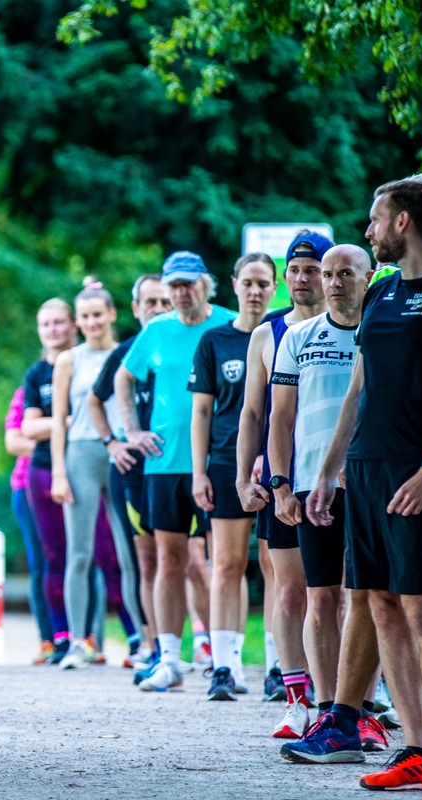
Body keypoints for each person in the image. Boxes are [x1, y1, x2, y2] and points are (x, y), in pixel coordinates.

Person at [307, 180, 422, 791]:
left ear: (403, 223)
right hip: (364, 470)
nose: (367, 230)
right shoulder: (382, 293)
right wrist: (326, 471)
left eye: (375, 220)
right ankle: (415, 749)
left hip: (418, 473)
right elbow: (358, 389)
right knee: (379, 604)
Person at [271, 245, 391, 763]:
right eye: (328, 274)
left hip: (373, 480)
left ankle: (366, 709)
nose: (335, 282)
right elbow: (279, 416)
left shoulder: (384, 332)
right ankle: (328, 708)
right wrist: (279, 482)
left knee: (371, 596)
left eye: (346, 272)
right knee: (322, 598)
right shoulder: (298, 336)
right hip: (310, 482)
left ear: (369, 276)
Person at [115, 251, 237, 692]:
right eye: (175, 286)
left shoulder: (230, 323)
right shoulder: (156, 331)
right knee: (170, 558)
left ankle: (224, 659)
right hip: (163, 462)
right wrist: (132, 430)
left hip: (218, 460)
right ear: (166, 291)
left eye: (189, 283)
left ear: (206, 283)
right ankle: (168, 659)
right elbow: (122, 379)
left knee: (222, 562)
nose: (182, 292)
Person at [235, 232, 331, 731]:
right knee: (292, 592)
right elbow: (254, 412)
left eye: (312, 269)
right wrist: (244, 473)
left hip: (337, 478)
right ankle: (296, 697)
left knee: (338, 594)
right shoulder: (267, 334)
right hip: (284, 478)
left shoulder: (351, 328)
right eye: (294, 269)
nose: (301, 278)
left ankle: (347, 697)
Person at [189, 253, 275, 700]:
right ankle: (225, 665)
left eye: (263, 283)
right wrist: (198, 471)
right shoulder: (214, 341)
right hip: (224, 462)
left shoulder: (283, 332)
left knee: (275, 566)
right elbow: (201, 410)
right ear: (234, 285)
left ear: (273, 287)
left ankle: (280, 666)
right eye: (248, 282)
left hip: (280, 461)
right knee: (226, 563)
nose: (255, 290)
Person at [87, 275, 173, 671]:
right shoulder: (124, 353)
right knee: (144, 558)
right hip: (133, 468)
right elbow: (94, 399)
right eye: (149, 302)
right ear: (136, 309)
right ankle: (152, 644)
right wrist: (113, 443)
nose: (157, 308)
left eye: (163, 301)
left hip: (177, 465)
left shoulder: (184, 346)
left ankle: (203, 645)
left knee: (190, 557)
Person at [50, 283, 131, 669]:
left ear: (112, 314)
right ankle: (79, 642)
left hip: (122, 455)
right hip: (81, 453)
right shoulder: (70, 360)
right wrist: (58, 473)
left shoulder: (129, 351)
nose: (92, 322)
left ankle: (144, 643)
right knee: (79, 553)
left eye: (98, 314)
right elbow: (58, 425)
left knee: (129, 552)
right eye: (84, 317)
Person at [21, 298, 78, 662]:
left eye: (60, 322)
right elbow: (28, 427)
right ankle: (59, 636)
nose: (53, 329)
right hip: (43, 470)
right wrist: (70, 423)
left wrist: (51, 424)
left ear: (72, 325)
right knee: (53, 556)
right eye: (47, 324)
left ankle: (96, 637)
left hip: (85, 466)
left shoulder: (86, 364)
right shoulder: (35, 375)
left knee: (94, 556)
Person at [5, 386, 54, 662]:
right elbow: (14, 442)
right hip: (28, 486)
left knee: (81, 563)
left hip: (77, 484)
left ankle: (84, 639)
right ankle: (48, 640)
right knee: (41, 564)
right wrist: (59, 444)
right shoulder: (28, 391)